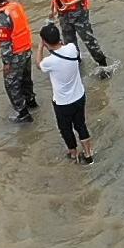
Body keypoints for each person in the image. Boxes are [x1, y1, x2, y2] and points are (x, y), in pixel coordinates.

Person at [50, 0, 112, 76]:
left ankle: (103, 65)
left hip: (78, 13)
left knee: (88, 39)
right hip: (64, 14)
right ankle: (75, 62)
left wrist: (70, 3)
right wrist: (52, 10)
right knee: (69, 41)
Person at [38, 23, 93, 164]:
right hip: (79, 96)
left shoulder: (49, 62)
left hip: (63, 103)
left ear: (45, 41)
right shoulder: (72, 49)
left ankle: (73, 153)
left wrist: (40, 47)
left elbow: (39, 65)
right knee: (81, 125)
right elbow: (64, 46)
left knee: (65, 128)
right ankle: (88, 154)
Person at [0, 0, 37, 122]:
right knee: (26, 79)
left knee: (11, 83)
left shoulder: (2, 17)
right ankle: (31, 101)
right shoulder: (15, 6)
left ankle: (23, 113)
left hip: (14, 54)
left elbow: (5, 42)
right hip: (26, 49)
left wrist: (7, 63)